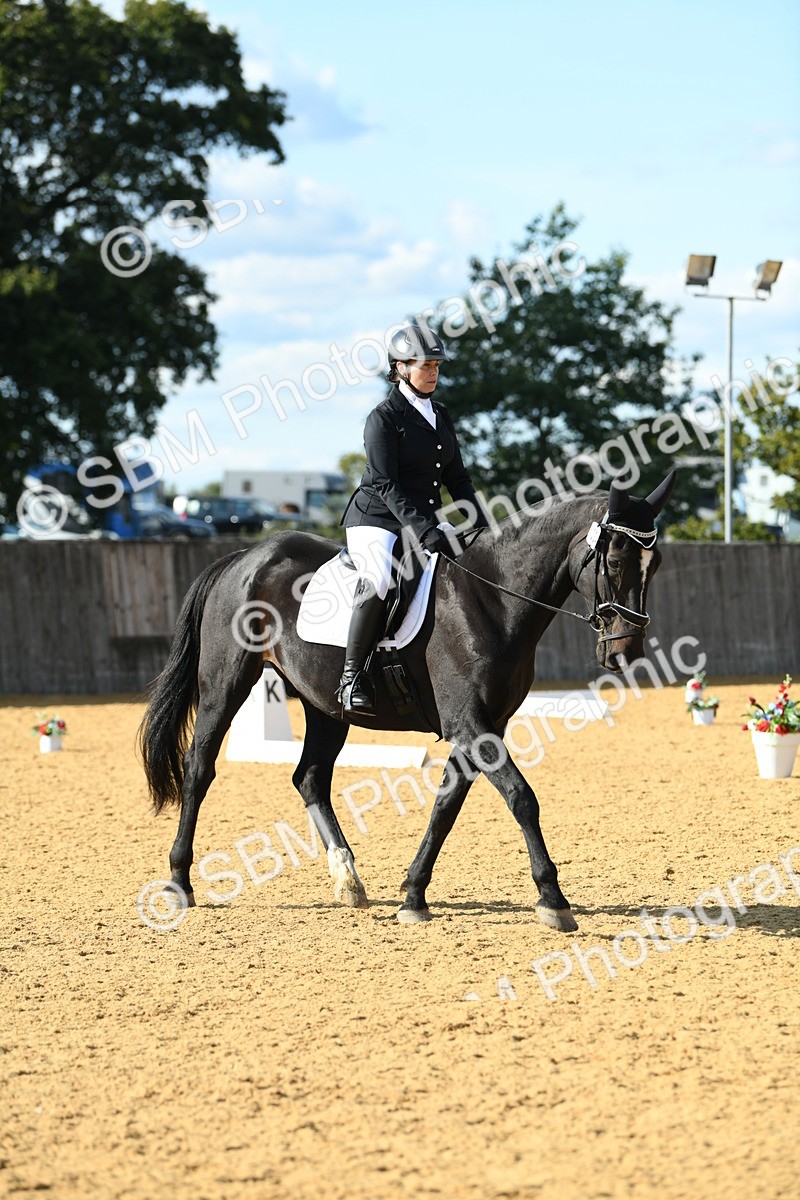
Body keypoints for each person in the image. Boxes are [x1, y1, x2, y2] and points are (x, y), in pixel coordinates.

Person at [337, 324, 488, 715]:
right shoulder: (383, 418)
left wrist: (484, 524)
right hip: (376, 519)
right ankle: (351, 678)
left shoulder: (440, 414)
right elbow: (385, 484)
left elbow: (458, 478)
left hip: (422, 520)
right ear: (401, 367)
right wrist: (424, 530)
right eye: (425, 365)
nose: (433, 372)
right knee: (379, 578)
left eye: (436, 365)